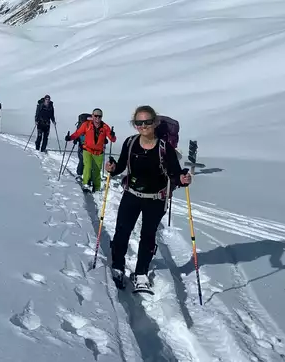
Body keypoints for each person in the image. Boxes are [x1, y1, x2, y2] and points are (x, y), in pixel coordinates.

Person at [105, 105, 193, 293]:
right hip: (131, 195)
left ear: (155, 123)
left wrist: (183, 179)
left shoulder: (164, 148)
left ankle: (141, 273)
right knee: (122, 231)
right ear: (135, 124)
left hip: (156, 199)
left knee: (148, 236)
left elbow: (175, 175)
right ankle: (118, 266)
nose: (143, 126)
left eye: (147, 122)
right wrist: (113, 168)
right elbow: (121, 166)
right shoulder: (130, 143)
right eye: (139, 122)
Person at [68, 108, 116, 192]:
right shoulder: (86, 125)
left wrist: (112, 135)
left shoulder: (105, 127)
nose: (97, 118)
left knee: (97, 170)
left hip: (99, 153)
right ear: (92, 116)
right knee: (88, 166)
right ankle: (85, 184)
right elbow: (78, 133)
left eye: (99, 116)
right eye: (95, 116)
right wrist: (70, 138)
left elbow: (112, 140)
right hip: (87, 150)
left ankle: (96, 187)